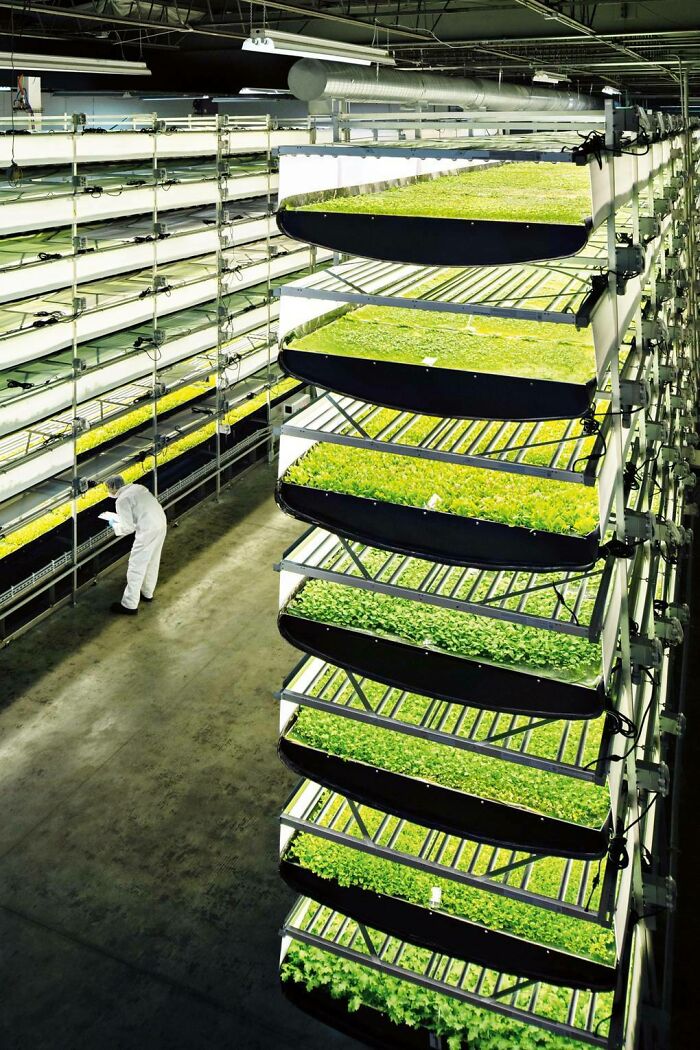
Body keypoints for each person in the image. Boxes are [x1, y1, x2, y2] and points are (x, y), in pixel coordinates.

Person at [103, 475, 168, 616]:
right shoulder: (138, 487)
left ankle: (129, 605)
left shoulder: (121, 500)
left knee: (136, 567)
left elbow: (128, 528)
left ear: (112, 488)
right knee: (153, 561)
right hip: (160, 523)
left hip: (147, 531)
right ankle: (147, 593)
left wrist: (114, 524)